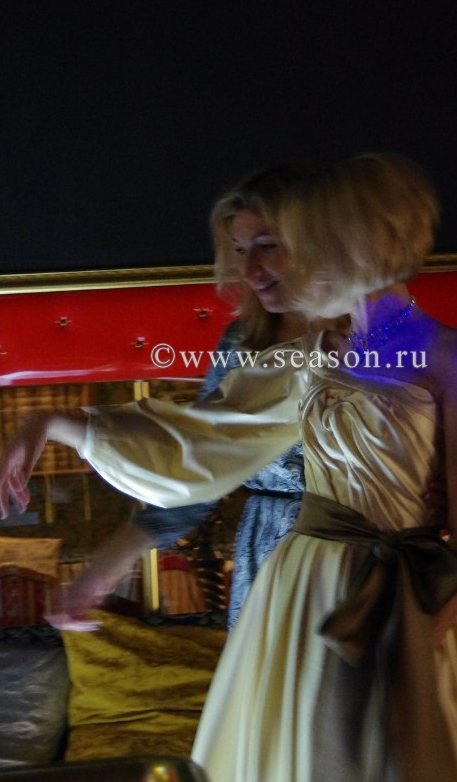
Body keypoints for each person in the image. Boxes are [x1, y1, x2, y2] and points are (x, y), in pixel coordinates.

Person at [0, 153, 457, 782]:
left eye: (279, 246)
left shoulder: (448, 354)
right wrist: (57, 423)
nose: (257, 270)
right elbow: (201, 443)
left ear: (351, 246)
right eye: (242, 251)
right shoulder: (307, 354)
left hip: (405, 589)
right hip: (300, 581)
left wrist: (425, 632)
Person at [58, 162, 314, 629]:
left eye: (267, 246)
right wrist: (99, 574)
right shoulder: (240, 344)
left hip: (358, 555)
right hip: (267, 562)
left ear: (315, 239)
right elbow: (194, 471)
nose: (249, 270)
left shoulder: (375, 338)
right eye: (240, 250)